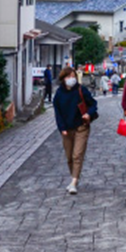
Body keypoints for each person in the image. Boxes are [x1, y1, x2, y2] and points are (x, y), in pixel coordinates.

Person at [52, 66, 98, 195]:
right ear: (63, 78)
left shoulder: (81, 90)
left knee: (77, 155)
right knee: (69, 157)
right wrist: (62, 128)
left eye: (73, 76)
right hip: (67, 129)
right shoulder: (59, 94)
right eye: (68, 77)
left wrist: (88, 114)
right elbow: (58, 113)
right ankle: (74, 176)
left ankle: (74, 182)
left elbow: (93, 104)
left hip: (81, 126)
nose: (71, 79)